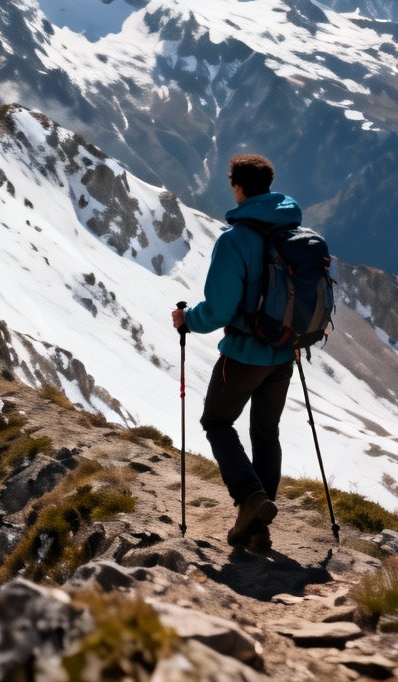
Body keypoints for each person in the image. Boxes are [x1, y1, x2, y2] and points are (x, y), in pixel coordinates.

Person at [171, 153, 299, 550]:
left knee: (216, 421)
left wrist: (186, 319)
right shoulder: (292, 232)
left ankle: (249, 497)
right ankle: (258, 525)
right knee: (266, 433)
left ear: (237, 187)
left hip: (245, 353)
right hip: (284, 354)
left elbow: (219, 310)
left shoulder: (235, 240)